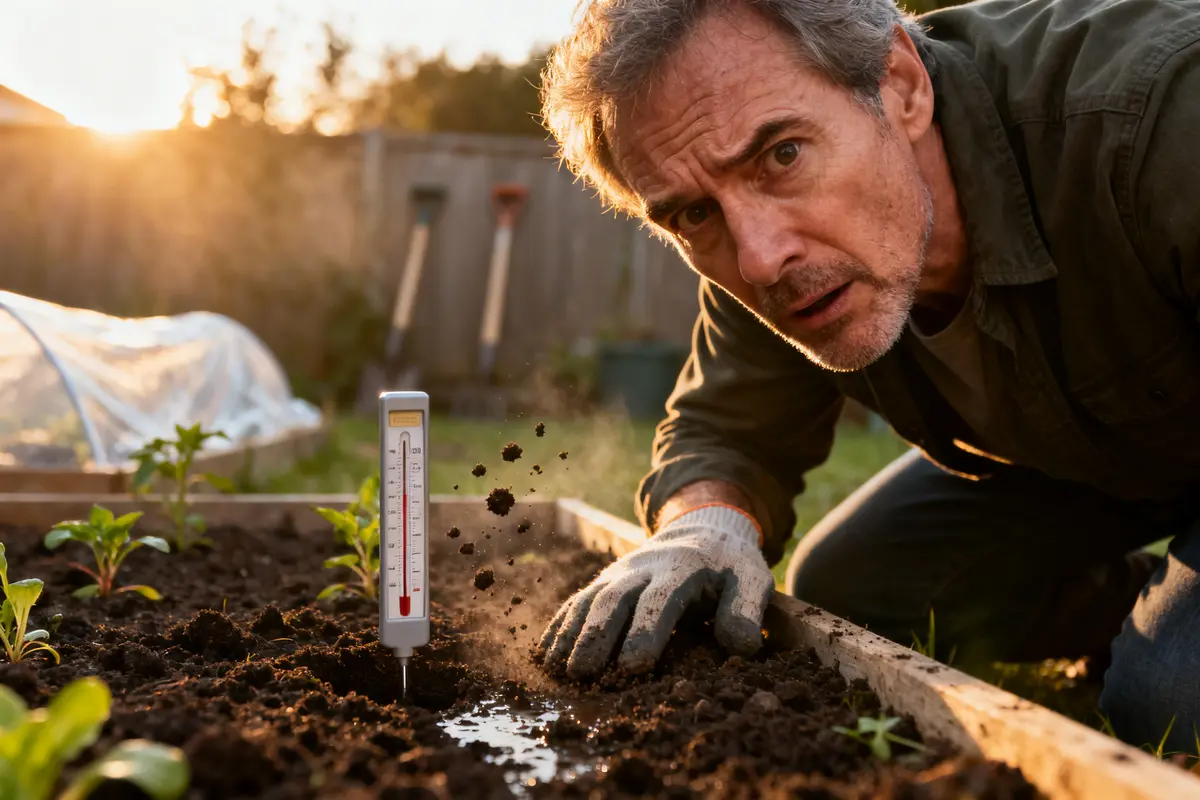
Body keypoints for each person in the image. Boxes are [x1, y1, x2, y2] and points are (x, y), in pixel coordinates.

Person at [534, 0, 1200, 751]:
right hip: (1111, 449)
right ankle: (1131, 606)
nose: (759, 259)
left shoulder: (1158, 112)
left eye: (781, 155)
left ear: (902, 84)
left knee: (1171, 695)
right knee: (853, 591)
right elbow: (728, 428)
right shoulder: (766, 251)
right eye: (692, 214)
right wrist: (704, 525)